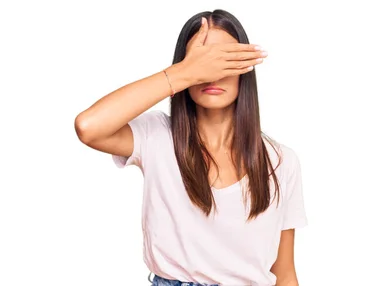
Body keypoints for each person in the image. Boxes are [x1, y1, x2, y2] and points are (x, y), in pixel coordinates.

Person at [74, 9, 307, 286]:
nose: (212, 74)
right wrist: (184, 73)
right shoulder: (156, 136)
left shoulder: (280, 161)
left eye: (224, 61)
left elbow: (285, 273)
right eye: (202, 61)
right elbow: (89, 127)